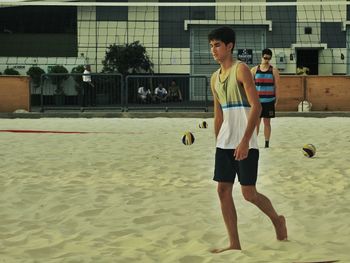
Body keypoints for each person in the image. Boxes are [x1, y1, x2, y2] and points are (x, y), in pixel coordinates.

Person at [208, 26, 287, 253]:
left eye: (217, 45)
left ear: (229, 46)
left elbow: (257, 106)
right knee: (222, 190)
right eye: (211, 45)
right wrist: (218, 142)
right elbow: (218, 114)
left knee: (248, 193)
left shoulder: (241, 70)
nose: (213, 50)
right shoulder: (215, 78)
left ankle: (277, 220)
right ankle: (234, 243)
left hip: (245, 142)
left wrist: (244, 140)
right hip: (224, 143)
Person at [251, 48, 280, 148]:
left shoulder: (274, 71)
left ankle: (267, 143)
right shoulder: (254, 70)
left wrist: (277, 100)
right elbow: (249, 86)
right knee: (256, 123)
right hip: (257, 102)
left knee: (267, 122)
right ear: (262, 57)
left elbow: (277, 86)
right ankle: (254, 142)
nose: (266, 60)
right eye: (265, 58)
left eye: (268, 58)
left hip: (269, 100)